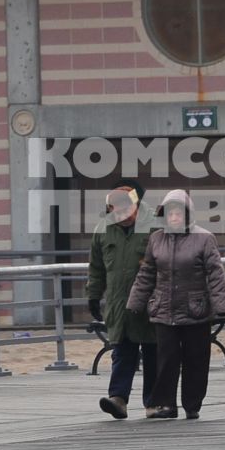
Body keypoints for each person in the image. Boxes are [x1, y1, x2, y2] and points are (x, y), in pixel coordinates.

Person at [126, 188, 225, 419]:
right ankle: (165, 405)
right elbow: (147, 274)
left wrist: (221, 309)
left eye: (178, 214)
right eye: (170, 214)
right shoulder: (156, 239)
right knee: (166, 360)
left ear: (187, 214)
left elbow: (215, 274)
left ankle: (192, 405)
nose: (174, 218)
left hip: (196, 310)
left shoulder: (204, 238)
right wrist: (135, 303)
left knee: (196, 359)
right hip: (164, 310)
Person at [86, 179, 156, 420]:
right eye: (117, 210)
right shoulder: (102, 230)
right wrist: (93, 296)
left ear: (137, 205)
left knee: (153, 351)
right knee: (122, 351)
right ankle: (118, 398)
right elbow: (96, 268)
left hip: (151, 303)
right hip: (118, 303)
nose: (123, 214)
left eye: (127, 209)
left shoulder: (155, 225)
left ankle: (154, 403)